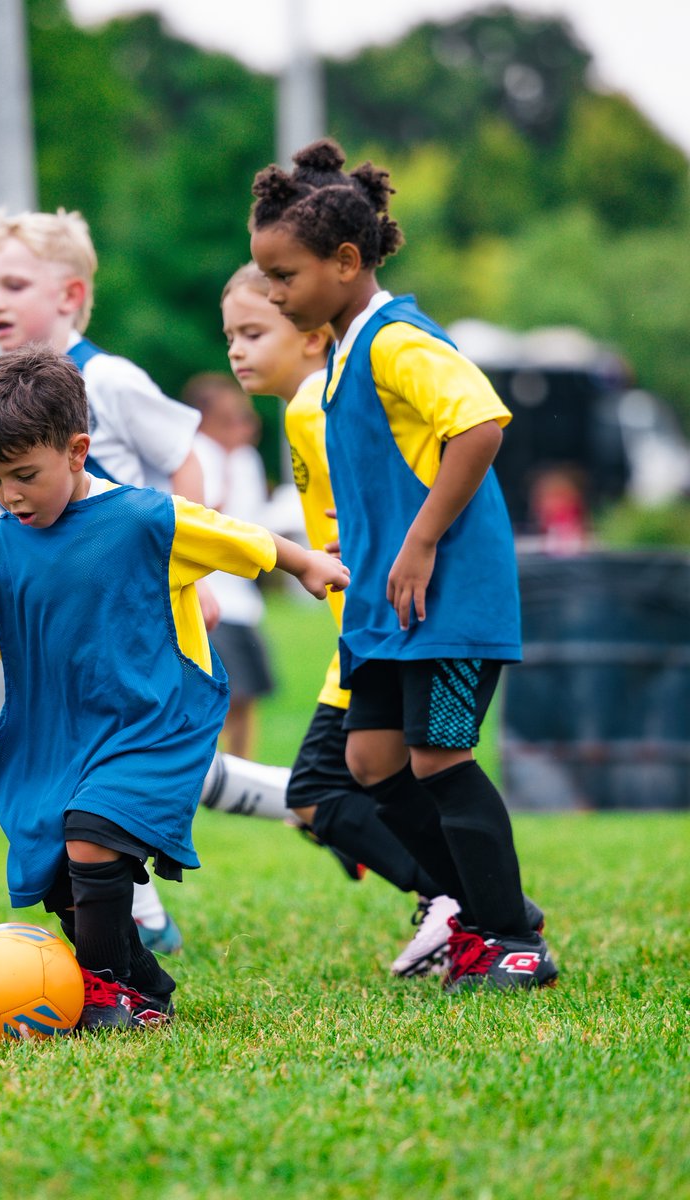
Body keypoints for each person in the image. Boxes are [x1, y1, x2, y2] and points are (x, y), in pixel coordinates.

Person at [0, 346, 349, 1031]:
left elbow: (229, 536)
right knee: (62, 881)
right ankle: (141, 985)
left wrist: (304, 563)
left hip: (149, 721)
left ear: (77, 451)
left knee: (92, 836)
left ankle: (101, 991)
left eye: (23, 476)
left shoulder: (143, 520)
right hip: (53, 736)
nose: (10, 495)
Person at [248, 138, 557, 992]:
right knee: (371, 763)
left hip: (448, 599)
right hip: (387, 610)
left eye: (284, 277)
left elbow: (480, 427)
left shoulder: (396, 339)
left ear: (346, 262)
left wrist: (419, 540)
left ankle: (509, 939)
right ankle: (486, 910)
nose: (273, 295)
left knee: (439, 760)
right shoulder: (344, 352)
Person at [0, 207, 213, 955]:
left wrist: (191, 569)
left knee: (122, 763)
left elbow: (186, 459)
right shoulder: (7, 400)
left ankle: (301, 805)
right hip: (70, 639)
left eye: (14, 283)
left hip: (134, 622)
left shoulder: (107, 379)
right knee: (76, 769)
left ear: (71, 296)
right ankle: (130, 910)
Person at [222, 262, 459, 977]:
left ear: (312, 334)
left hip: (377, 632)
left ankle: (453, 899)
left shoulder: (318, 409)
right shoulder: (302, 410)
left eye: (255, 331)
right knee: (356, 784)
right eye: (230, 334)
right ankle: (459, 899)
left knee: (320, 791)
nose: (236, 349)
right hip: (362, 632)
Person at [182, 372, 275, 759]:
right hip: (212, 595)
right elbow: (205, 514)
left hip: (241, 596)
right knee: (224, 692)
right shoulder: (199, 453)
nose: (247, 427)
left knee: (247, 694)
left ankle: (241, 770)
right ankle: (211, 769)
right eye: (234, 418)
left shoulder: (242, 458)